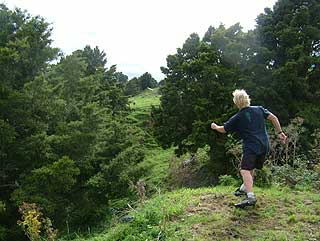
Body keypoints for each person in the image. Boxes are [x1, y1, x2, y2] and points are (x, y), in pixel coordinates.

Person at [211, 89, 287, 208]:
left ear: (236, 102)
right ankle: (243, 188)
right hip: (264, 145)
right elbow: (274, 118)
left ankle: (250, 197)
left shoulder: (237, 117)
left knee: (244, 170)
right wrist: (280, 132)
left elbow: (223, 129)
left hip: (251, 146)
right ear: (247, 99)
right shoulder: (259, 109)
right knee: (250, 168)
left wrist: (215, 127)